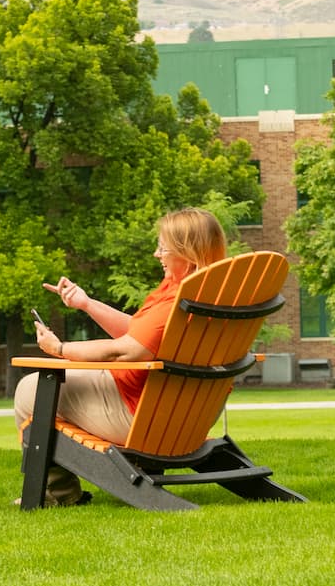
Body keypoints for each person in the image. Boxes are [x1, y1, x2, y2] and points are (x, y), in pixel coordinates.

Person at [15, 207, 228, 506]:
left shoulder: (179, 300)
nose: (157, 254)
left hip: (141, 416)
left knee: (32, 389)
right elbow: (138, 333)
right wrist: (87, 304)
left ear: (188, 253)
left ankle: (58, 493)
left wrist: (60, 350)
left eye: (163, 248)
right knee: (51, 385)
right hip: (186, 417)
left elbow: (125, 350)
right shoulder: (213, 293)